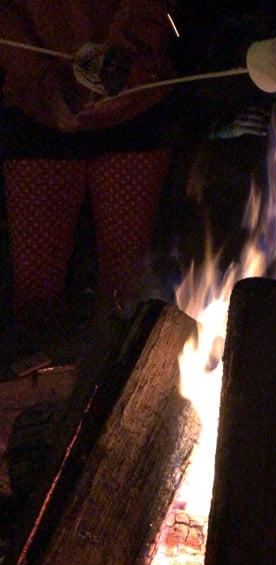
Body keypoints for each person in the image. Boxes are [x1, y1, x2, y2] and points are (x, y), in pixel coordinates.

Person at [0, 1, 178, 338]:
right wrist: (41, 82)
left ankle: (121, 367)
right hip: (34, 111)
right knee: (36, 294)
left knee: (125, 291)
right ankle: (44, 369)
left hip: (134, 104)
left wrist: (122, 64)